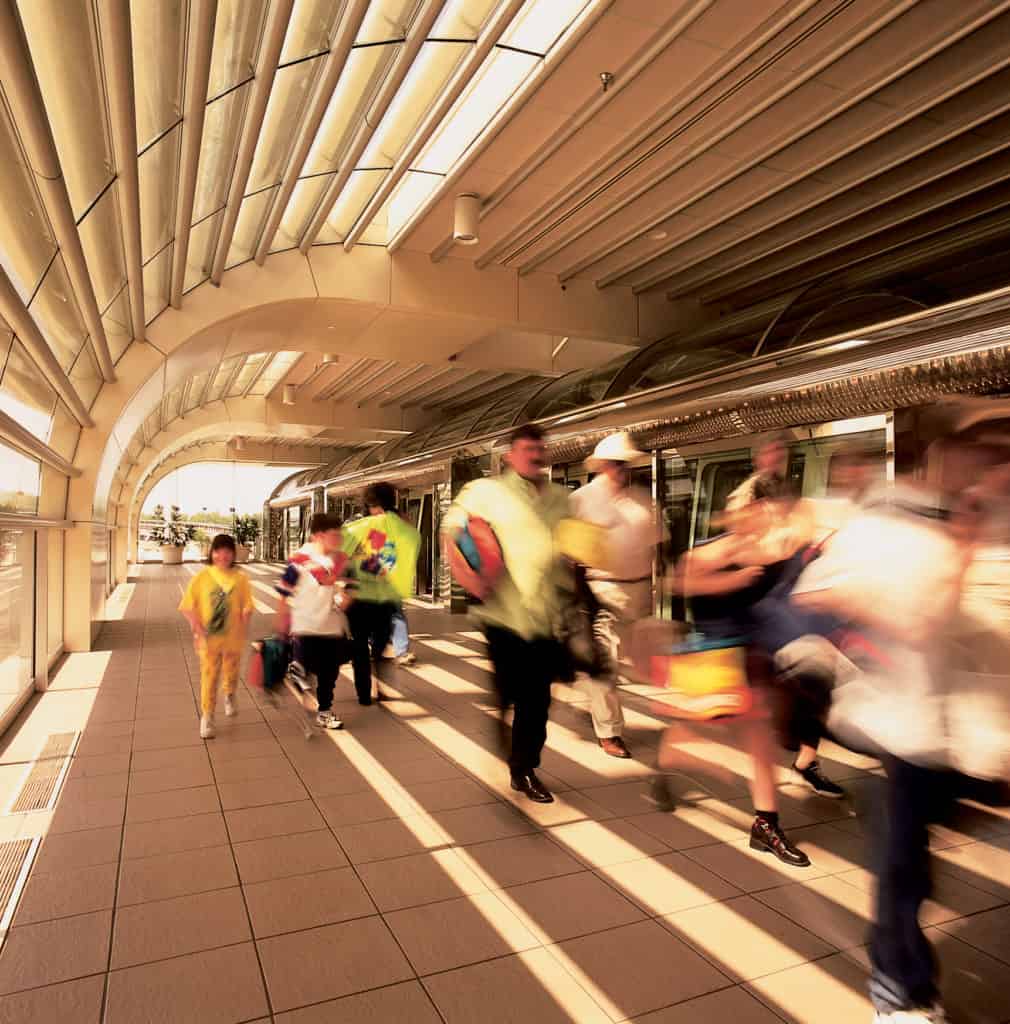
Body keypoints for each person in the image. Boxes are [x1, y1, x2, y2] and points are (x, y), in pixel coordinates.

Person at [793, 411, 1010, 1024]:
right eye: (985, 449)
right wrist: (858, 609)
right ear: (944, 455)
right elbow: (812, 597)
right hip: (910, 730)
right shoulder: (887, 528)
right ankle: (902, 990)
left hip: (993, 732)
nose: (999, 464)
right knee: (903, 870)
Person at [665, 493, 812, 866]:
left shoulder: (773, 552)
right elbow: (680, 584)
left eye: (765, 510)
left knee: (759, 741)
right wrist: (732, 580)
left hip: (755, 658)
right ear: (731, 516)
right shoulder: (707, 552)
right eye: (751, 510)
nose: (761, 516)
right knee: (696, 729)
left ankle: (766, 824)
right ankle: (667, 770)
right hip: (716, 659)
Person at [443, 423, 570, 803]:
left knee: (538, 699)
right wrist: (468, 577)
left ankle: (524, 768)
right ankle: (505, 712)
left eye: (540, 449)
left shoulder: (563, 498)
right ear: (509, 456)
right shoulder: (485, 491)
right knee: (516, 689)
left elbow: (574, 550)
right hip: (503, 616)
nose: (535, 455)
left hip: (547, 615)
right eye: (527, 449)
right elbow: (450, 532)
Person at [726, 438, 846, 799]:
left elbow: (809, 536)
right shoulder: (742, 500)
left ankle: (805, 763)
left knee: (816, 688)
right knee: (763, 706)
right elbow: (743, 550)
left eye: (781, 453)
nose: (776, 458)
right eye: (771, 452)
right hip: (760, 611)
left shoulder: (798, 499)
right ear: (758, 455)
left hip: (793, 610)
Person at [570, 432, 664, 758]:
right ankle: (609, 731)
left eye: (626, 464)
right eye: (616, 464)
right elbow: (570, 553)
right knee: (606, 662)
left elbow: (658, 546)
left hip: (640, 590)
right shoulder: (582, 500)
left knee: (632, 665)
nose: (622, 470)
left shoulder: (644, 499)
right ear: (602, 465)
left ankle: (591, 690)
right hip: (601, 590)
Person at [341, 483, 421, 705]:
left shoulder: (357, 527)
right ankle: (377, 689)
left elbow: (339, 556)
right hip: (384, 599)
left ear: (370, 504)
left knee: (361, 647)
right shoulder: (406, 528)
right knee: (379, 647)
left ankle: (365, 693)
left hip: (360, 598)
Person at [275, 512, 353, 730]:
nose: (339, 539)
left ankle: (324, 712)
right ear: (319, 535)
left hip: (331, 626)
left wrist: (345, 596)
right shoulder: (298, 561)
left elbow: (346, 586)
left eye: (340, 535)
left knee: (330, 674)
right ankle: (297, 670)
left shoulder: (339, 559)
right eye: (334, 535)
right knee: (305, 665)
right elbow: (283, 592)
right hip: (306, 626)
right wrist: (281, 626)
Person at [179, 534, 253, 739]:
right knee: (210, 677)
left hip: (233, 638)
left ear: (233, 554)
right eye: (218, 550)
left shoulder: (240, 579)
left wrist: (245, 617)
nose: (223, 555)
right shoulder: (202, 578)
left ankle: (229, 694)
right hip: (208, 640)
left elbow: (248, 604)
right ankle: (208, 715)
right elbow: (187, 606)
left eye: (228, 551)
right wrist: (196, 625)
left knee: (231, 671)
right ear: (212, 553)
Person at [726, 434, 791, 512]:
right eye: (769, 452)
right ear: (757, 460)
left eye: (781, 452)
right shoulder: (744, 495)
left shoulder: (785, 488)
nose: (776, 457)